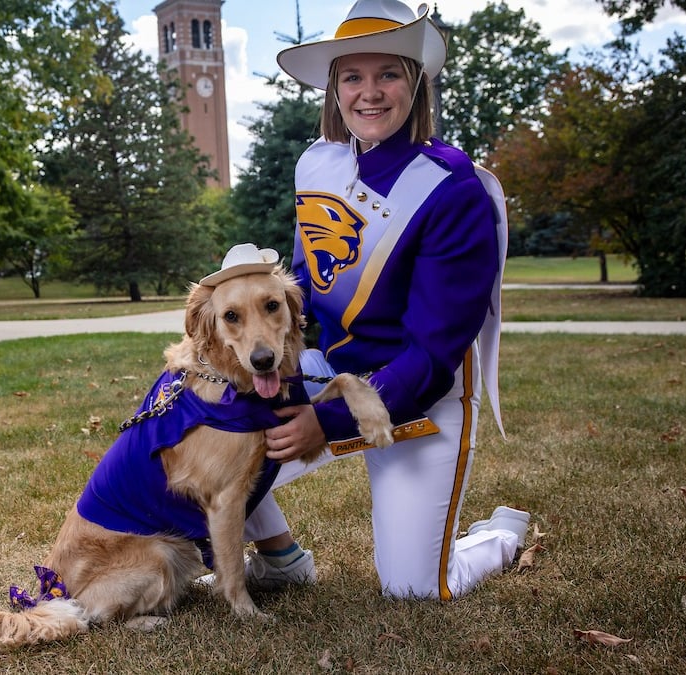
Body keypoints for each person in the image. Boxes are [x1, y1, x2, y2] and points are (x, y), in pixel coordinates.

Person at [234, 0, 529, 601]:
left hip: (419, 398)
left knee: (413, 590)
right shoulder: (317, 164)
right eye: (352, 77)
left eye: (388, 74)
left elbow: (430, 356)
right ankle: (280, 557)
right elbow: (304, 293)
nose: (370, 93)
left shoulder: (454, 190)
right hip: (337, 373)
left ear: (415, 82)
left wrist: (325, 421)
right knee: (210, 410)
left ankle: (498, 534)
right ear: (334, 89)